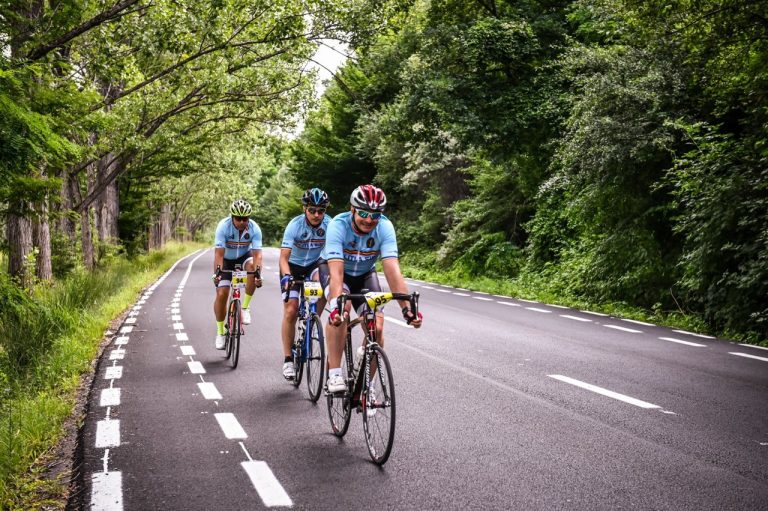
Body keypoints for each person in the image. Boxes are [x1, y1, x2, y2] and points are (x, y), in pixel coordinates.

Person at [319, 184, 422, 393]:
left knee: (377, 326)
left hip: (365, 274)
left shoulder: (384, 227)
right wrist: (336, 304)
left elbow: (392, 269)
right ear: (353, 209)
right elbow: (337, 273)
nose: (369, 220)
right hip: (336, 271)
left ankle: (367, 384)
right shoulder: (338, 226)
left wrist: (406, 308)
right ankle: (334, 374)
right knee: (342, 310)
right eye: (364, 213)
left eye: (375, 215)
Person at [278, 187, 331, 379]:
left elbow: (334, 256)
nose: (316, 215)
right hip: (292, 267)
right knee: (291, 310)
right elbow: (283, 258)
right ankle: (287, 360)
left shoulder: (330, 225)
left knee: (324, 286)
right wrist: (286, 276)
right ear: (304, 209)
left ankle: (314, 319)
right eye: (312, 210)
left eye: (321, 210)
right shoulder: (294, 225)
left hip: (314, 266)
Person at [212, 198, 263, 349]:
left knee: (253, 268)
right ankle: (220, 332)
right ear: (232, 217)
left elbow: (257, 255)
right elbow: (219, 254)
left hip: (244, 257)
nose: (242, 222)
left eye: (245, 219)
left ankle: (245, 307)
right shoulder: (223, 227)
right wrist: (218, 274)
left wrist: (258, 275)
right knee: (222, 293)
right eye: (238, 218)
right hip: (226, 259)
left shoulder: (254, 229)